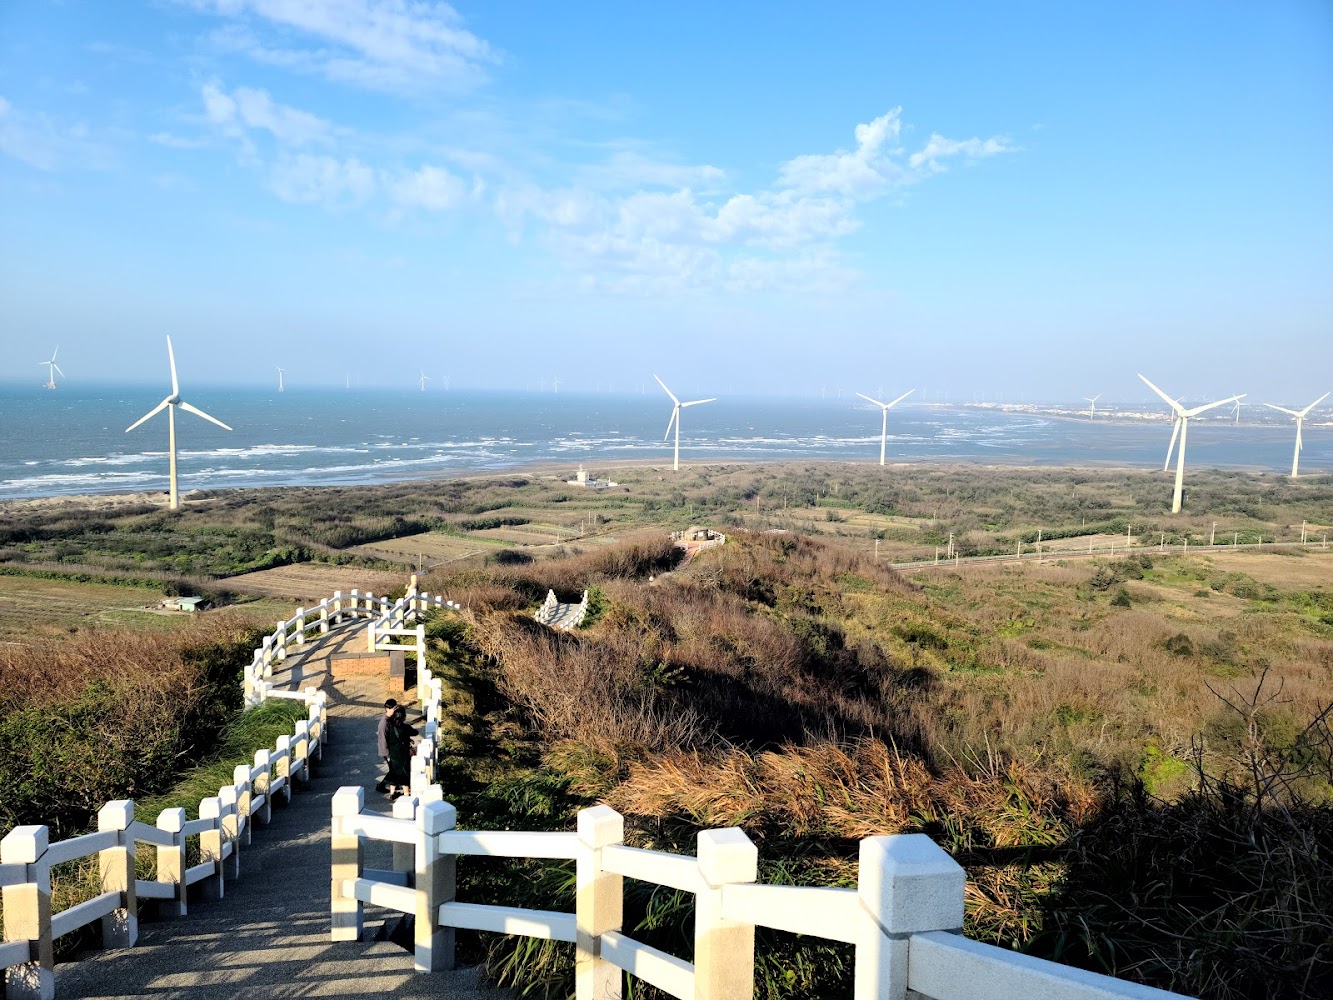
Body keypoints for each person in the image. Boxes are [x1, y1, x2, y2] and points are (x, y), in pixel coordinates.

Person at [384, 704, 418, 799]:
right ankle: (406, 793)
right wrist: (408, 739)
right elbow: (415, 732)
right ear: (403, 717)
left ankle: (392, 793)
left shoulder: (389, 727)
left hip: (393, 753)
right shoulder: (405, 728)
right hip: (403, 753)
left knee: (394, 772)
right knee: (404, 772)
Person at [375, 699, 397, 793]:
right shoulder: (383, 724)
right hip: (387, 751)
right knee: (393, 770)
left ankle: (386, 785)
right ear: (387, 709)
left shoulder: (390, 718)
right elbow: (383, 740)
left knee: (394, 770)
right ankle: (382, 785)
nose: (395, 710)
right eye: (393, 708)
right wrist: (388, 756)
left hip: (391, 749)